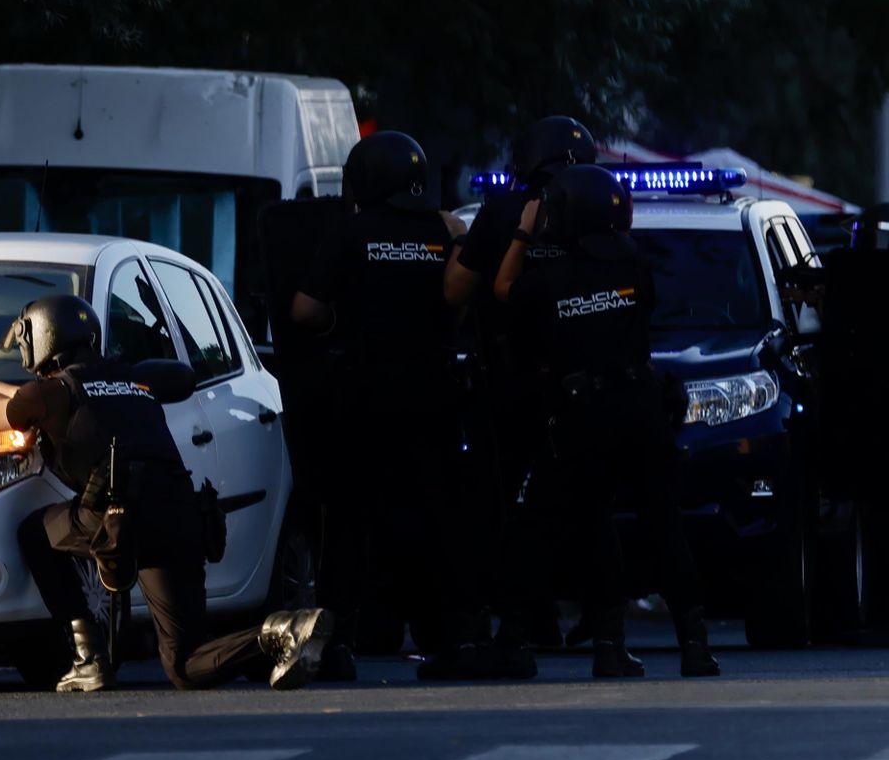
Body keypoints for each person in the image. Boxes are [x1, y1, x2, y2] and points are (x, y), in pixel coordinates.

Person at [0, 294, 332, 692]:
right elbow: (33, 398)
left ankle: (88, 660)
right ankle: (278, 633)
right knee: (185, 663)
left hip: (120, 517)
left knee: (36, 533)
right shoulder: (128, 378)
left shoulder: (51, 393)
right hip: (180, 515)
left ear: (41, 338)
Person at [494, 164, 720, 677]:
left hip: (583, 417)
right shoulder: (637, 267)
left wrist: (523, 231)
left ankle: (566, 642)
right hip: (641, 410)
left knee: (557, 526)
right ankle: (695, 644)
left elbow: (504, 288)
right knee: (664, 526)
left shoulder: (548, 279)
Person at [289, 131, 467, 669]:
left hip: (363, 395)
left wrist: (342, 318)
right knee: (433, 512)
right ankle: (444, 636)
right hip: (432, 395)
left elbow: (303, 310)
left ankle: (339, 637)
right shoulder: (442, 231)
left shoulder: (351, 231)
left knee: (349, 519)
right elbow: (458, 300)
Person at [440, 115, 600, 672]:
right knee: (578, 507)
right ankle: (569, 620)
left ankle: (492, 624)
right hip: (579, 389)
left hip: (507, 388)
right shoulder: (596, 213)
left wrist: (465, 240)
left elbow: (455, 290)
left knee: (493, 507)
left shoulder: (506, 210)